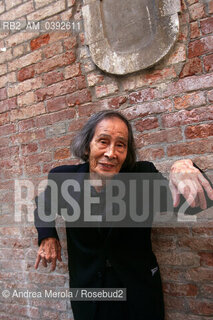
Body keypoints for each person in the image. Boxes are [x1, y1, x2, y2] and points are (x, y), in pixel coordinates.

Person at [34, 110, 213, 320]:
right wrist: (47, 235)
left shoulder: (142, 177)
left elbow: (196, 202)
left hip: (139, 293)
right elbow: (42, 205)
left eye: (120, 145)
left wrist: (184, 166)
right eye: (103, 141)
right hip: (89, 294)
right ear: (86, 146)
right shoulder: (62, 179)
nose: (111, 153)